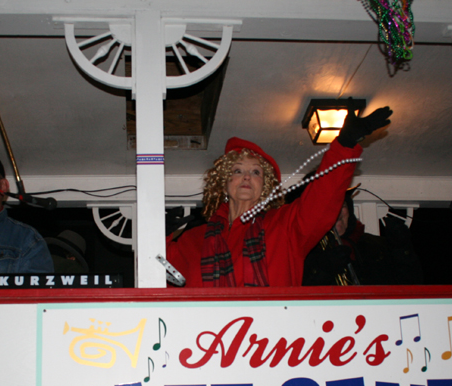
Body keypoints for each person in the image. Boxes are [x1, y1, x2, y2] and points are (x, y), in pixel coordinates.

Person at [165, 107, 392, 287]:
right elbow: (158, 272)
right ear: (224, 183)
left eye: (256, 172)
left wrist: (344, 145)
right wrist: (160, 235)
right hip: (211, 332)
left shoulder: (284, 226)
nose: (247, 176)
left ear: (264, 187)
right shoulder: (192, 240)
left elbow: (321, 200)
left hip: (274, 332)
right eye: (237, 170)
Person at [302, 191, 423, 285]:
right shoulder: (306, 252)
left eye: (341, 205)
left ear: (349, 210)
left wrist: (401, 249)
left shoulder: (377, 245)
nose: (336, 212)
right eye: (328, 207)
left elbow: (412, 283)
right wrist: (323, 270)